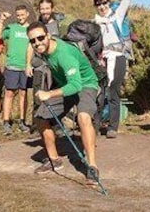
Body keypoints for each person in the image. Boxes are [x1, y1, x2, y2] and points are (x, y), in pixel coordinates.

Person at [28, 21, 102, 186]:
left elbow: (76, 85)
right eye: (32, 40)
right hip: (65, 86)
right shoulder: (43, 50)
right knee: (40, 117)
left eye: (40, 38)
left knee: (83, 117)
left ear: (48, 36)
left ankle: (92, 166)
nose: (37, 43)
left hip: (85, 84)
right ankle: (54, 160)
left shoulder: (64, 54)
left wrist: (49, 93)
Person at [94, 0, 147, 138]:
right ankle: (96, 123)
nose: (101, 7)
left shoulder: (116, 17)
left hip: (118, 56)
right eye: (98, 4)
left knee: (114, 90)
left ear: (108, 2)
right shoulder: (95, 22)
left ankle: (112, 127)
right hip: (104, 58)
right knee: (100, 91)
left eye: (104, 3)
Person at [25, 0, 61, 135]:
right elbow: (29, 46)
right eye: (42, 9)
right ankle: (36, 126)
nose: (45, 11)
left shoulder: (58, 25)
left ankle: (55, 125)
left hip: (54, 67)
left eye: (47, 8)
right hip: (39, 66)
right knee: (37, 96)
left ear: (52, 9)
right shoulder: (36, 25)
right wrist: (28, 64)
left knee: (53, 96)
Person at [0, 5, 32, 135]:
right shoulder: (11, 27)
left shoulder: (30, 29)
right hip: (11, 66)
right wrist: (1, 20)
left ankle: (22, 122)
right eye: (18, 15)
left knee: (23, 94)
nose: (20, 17)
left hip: (25, 67)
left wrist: (29, 64)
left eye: (22, 15)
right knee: (9, 94)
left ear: (27, 14)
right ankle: (6, 122)